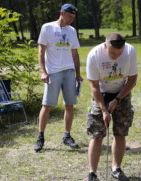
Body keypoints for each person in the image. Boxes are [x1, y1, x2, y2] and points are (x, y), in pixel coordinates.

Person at [85, 33, 138, 181]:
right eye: (113, 53)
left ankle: (116, 169)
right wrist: (103, 109)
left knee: (120, 132)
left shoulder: (130, 51)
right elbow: (94, 86)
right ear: (105, 46)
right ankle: (92, 174)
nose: (116, 57)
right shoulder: (94, 55)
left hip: (122, 93)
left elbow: (132, 79)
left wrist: (118, 99)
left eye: (119, 53)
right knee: (97, 134)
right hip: (100, 94)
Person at [34, 3, 83, 152]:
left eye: (73, 17)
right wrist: (43, 71)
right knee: (47, 105)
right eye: (69, 16)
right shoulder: (47, 28)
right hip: (53, 72)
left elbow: (75, 53)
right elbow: (41, 52)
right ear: (61, 13)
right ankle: (40, 137)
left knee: (69, 105)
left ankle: (67, 136)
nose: (71, 19)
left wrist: (78, 74)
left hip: (69, 72)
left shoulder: (72, 31)